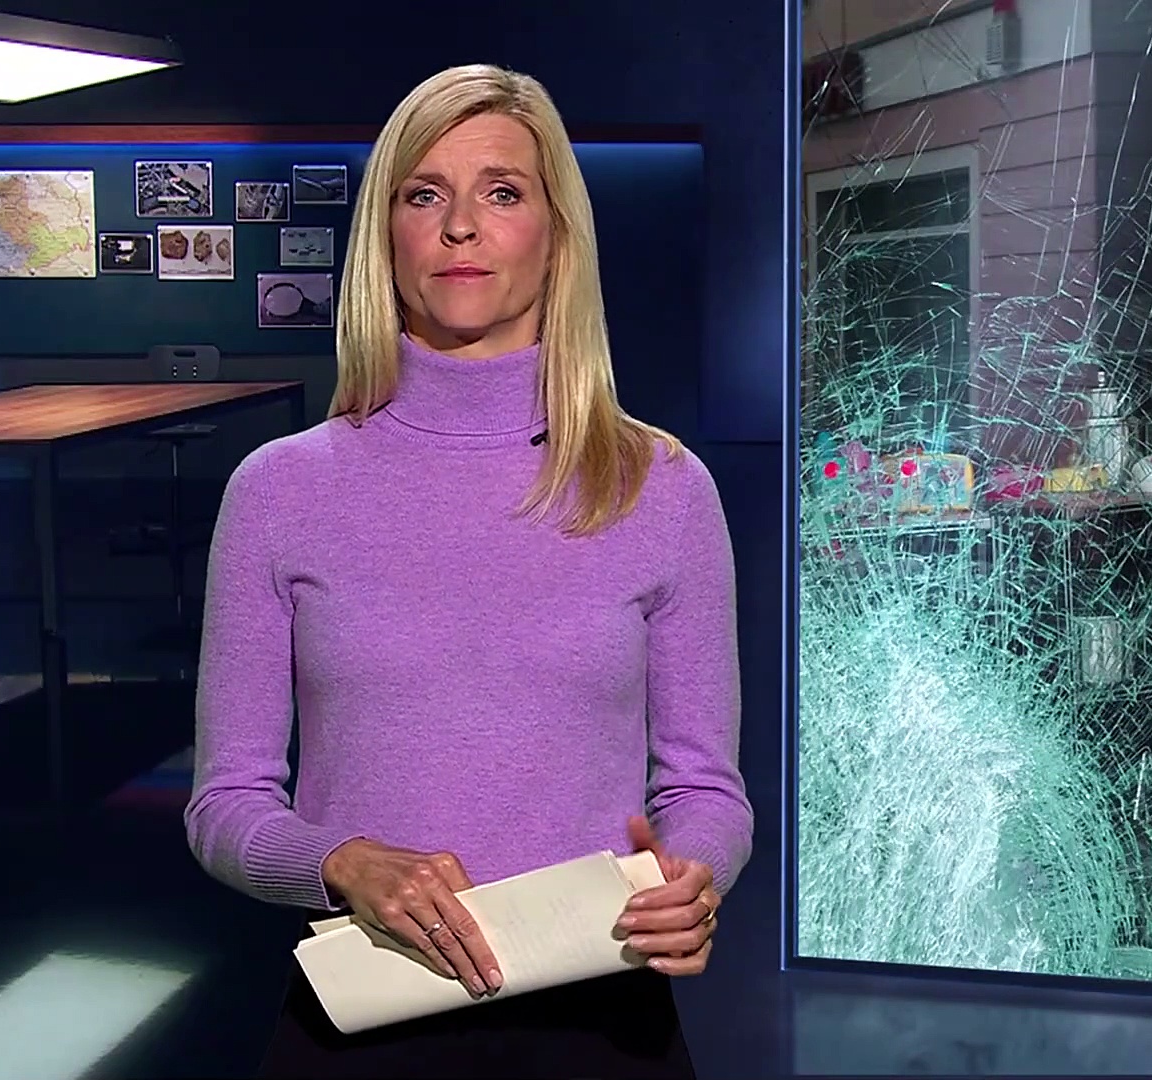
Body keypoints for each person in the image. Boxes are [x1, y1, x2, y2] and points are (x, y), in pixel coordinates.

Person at [185, 62, 752, 1079]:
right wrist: (336, 860)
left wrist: (691, 876)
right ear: (386, 235)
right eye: (423, 195)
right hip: (363, 1008)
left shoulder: (661, 487)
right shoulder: (278, 491)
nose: (459, 227)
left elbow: (707, 786)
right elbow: (225, 804)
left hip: (602, 1014)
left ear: (556, 234)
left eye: (501, 192)